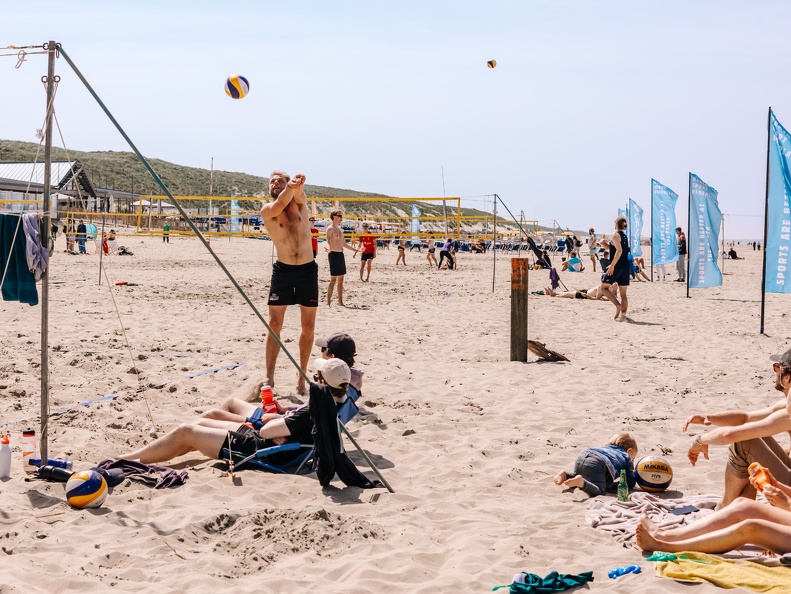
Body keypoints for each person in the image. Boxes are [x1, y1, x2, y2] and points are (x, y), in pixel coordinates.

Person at [120, 358, 352, 466]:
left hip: (267, 451)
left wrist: (271, 422)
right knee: (204, 422)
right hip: (280, 446)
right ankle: (152, 452)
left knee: (186, 431)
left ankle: (127, 461)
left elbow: (266, 433)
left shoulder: (312, 409)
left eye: (316, 377)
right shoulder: (338, 401)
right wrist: (278, 422)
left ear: (322, 381)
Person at [684, 348, 791, 509]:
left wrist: (699, 441)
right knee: (750, 439)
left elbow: (729, 435)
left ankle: (725, 507)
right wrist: (709, 418)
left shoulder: (788, 414)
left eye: (777, 368)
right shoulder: (785, 407)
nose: (775, 373)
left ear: (787, 378)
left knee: (743, 442)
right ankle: (739, 507)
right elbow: (745, 418)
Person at [260, 170, 318, 395]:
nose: (276, 183)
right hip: (283, 271)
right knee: (274, 324)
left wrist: (297, 185)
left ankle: (301, 374)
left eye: (280, 180)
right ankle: (270, 376)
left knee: (308, 327)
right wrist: (290, 186)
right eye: (273, 181)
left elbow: (299, 195)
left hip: (307, 270)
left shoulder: (300, 203)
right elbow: (280, 203)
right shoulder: (268, 209)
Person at [554, 432, 638, 497]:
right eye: (633, 458)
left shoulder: (606, 448)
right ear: (629, 451)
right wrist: (613, 486)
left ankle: (566, 475)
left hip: (583, 455)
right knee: (599, 490)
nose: (632, 461)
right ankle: (582, 483)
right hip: (598, 462)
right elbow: (630, 482)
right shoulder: (626, 456)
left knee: (584, 475)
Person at [325, 211, 358, 307]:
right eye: (339, 216)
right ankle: (328, 302)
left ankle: (340, 301)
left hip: (340, 254)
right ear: (334, 217)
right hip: (333, 254)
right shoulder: (330, 229)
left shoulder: (339, 229)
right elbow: (327, 240)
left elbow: (344, 244)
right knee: (333, 279)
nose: (341, 218)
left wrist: (355, 250)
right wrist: (327, 247)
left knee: (341, 279)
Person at [600, 216, 630, 320]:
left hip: (617, 266)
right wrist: (604, 245)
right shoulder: (624, 236)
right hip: (625, 266)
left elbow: (619, 251)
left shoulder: (615, 235)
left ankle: (618, 306)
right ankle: (624, 316)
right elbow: (613, 248)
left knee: (603, 288)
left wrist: (612, 266)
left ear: (616, 224)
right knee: (623, 294)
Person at [544, 283, 617, 300]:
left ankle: (553, 294)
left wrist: (587, 296)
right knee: (569, 292)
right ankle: (554, 293)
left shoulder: (601, 288)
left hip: (584, 295)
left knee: (569, 294)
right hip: (586, 291)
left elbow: (597, 298)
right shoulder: (604, 288)